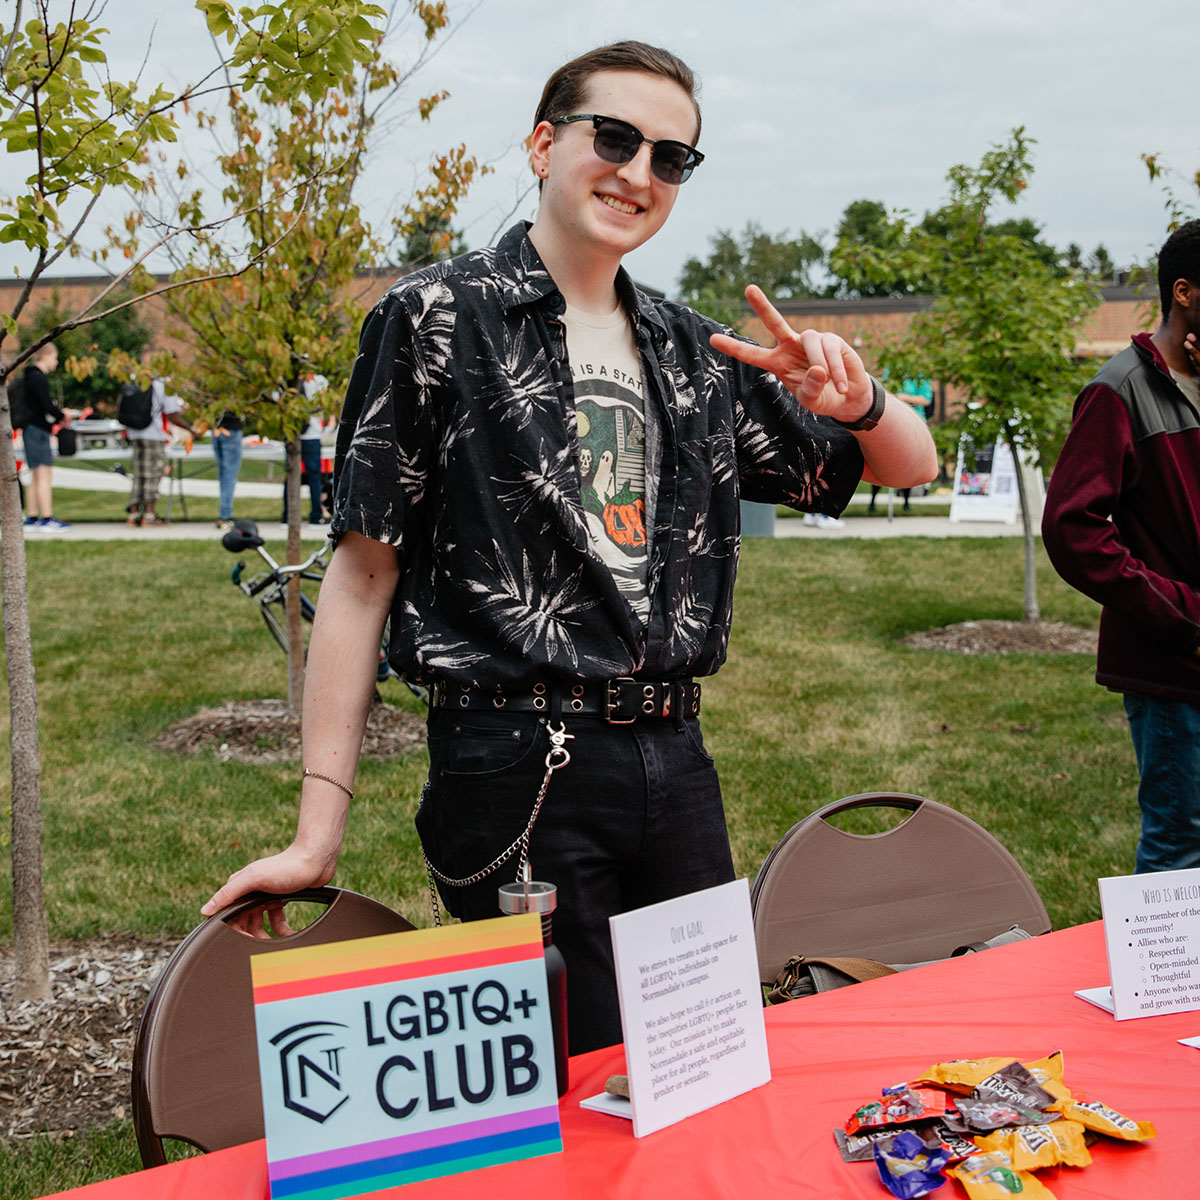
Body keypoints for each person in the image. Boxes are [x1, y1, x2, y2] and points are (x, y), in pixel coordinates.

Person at [203, 41, 937, 1054]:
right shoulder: (434, 321)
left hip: (674, 759)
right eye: (616, 137)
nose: (639, 173)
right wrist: (315, 830)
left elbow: (908, 468)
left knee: (701, 1059)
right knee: (566, 1093)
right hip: (514, 760)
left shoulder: (695, 348)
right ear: (545, 144)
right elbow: (363, 574)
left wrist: (861, 405)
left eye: (671, 157)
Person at [1042, 219, 1200, 875]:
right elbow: (1073, 530)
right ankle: (1162, 981)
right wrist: (1183, 612)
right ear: (1185, 292)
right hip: (1177, 670)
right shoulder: (1120, 388)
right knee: (1181, 845)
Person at [124, 366, 198, 526]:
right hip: (153, 433)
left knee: (139, 473)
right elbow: (172, 414)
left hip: (134, 431)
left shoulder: (135, 377)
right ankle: (149, 515)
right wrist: (191, 430)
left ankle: (134, 513)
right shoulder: (163, 382)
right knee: (153, 473)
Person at [21, 342, 72, 531]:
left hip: (31, 429)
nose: (56, 362)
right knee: (43, 474)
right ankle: (47, 518)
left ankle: (33, 517)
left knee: (35, 475)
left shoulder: (29, 377)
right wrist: (62, 416)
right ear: (45, 356)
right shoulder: (38, 378)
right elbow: (46, 406)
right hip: (37, 430)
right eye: (54, 357)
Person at [281, 374, 330, 527]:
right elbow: (325, 404)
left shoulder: (284, 379)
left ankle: (287, 516)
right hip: (312, 435)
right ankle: (316, 515)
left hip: (291, 433)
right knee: (314, 477)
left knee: (291, 476)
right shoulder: (319, 381)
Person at [211, 410, 244, 531]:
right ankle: (225, 516)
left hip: (217, 428)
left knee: (224, 473)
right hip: (231, 429)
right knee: (229, 474)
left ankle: (225, 514)